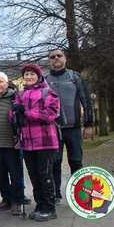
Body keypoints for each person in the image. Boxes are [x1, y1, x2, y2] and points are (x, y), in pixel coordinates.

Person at [12, 63, 60, 221]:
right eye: (26, 75)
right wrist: (15, 115)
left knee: (45, 175)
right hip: (27, 142)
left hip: (45, 142)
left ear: (38, 76)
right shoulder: (20, 94)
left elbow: (51, 114)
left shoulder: (48, 92)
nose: (29, 77)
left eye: (32, 74)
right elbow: (13, 116)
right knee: (34, 176)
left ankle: (50, 207)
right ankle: (40, 205)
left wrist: (26, 112)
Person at [45, 49, 94, 204]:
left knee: (76, 161)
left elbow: (86, 100)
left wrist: (88, 124)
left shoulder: (75, 77)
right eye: (52, 57)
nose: (56, 58)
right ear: (49, 61)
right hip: (53, 129)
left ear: (65, 58)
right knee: (54, 163)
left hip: (73, 128)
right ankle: (55, 194)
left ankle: (80, 195)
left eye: (59, 56)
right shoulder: (45, 80)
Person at [0, 72, 23, 215]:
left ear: (7, 84)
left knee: (15, 175)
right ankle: (6, 200)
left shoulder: (15, 98)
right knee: (1, 175)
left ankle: (17, 201)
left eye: (0, 81)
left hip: (11, 144)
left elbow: (20, 120)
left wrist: (19, 138)